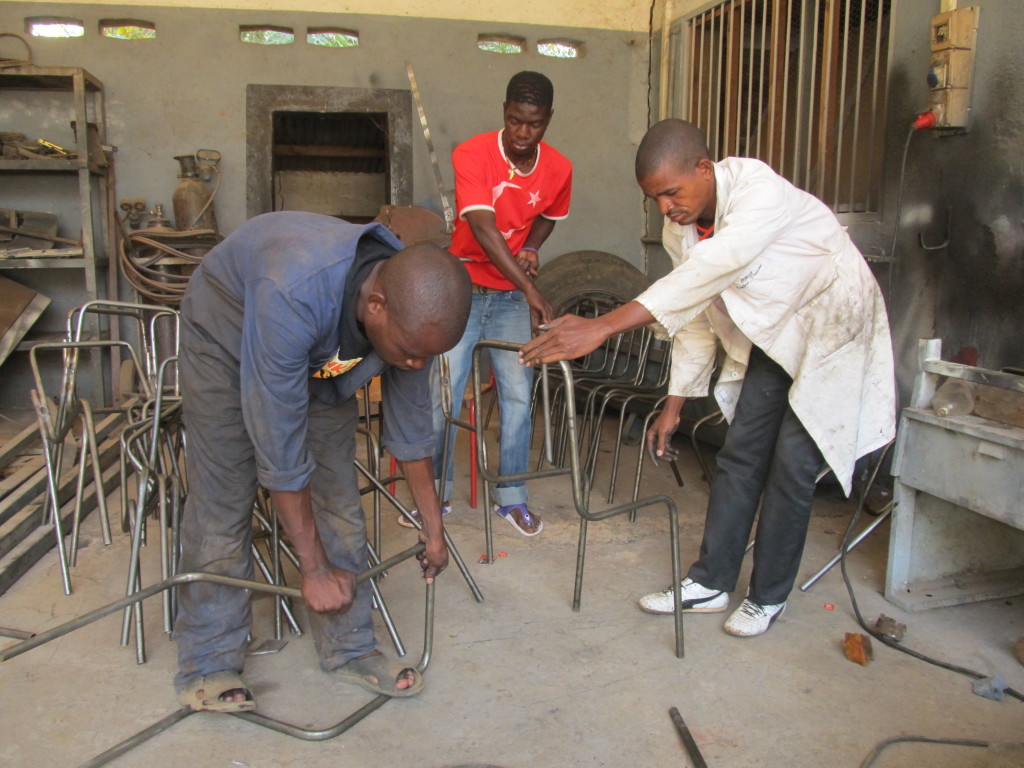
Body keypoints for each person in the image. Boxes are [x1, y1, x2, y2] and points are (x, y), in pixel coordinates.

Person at [520, 119, 895, 637]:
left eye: (671, 191)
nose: (666, 207)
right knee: (741, 453)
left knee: (791, 466)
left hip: (834, 328)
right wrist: (673, 405)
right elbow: (693, 312)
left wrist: (604, 326)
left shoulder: (759, 192)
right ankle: (711, 582)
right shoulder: (682, 227)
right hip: (778, 333)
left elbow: (707, 271)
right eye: (654, 198)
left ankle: (768, 597)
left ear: (704, 169)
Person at [174, 211, 471, 711]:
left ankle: (349, 648)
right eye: (410, 354)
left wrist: (434, 529)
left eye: (427, 357)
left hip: (315, 351)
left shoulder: (412, 317)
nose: (417, 364)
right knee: (224, 498)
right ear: (375, 307)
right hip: (225, 334)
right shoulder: (292, 291)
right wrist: (312, 568)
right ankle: (209, 659)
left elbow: (412, 430)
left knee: (338, 495)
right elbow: (278, 444)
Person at [398, 70, 572, 537]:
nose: (522, 133)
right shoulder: (472, 154)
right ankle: (434, 494)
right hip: (462, 291)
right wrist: (533, 289)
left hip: (511, 299)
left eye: (533, 124)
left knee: (518, 396)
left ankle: (511, 497)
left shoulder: (558, 168)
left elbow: (551, 215)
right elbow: (482, 228)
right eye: (515, 120)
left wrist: (532, 248)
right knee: (444, 396)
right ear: (504, 113)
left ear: (548, 120)